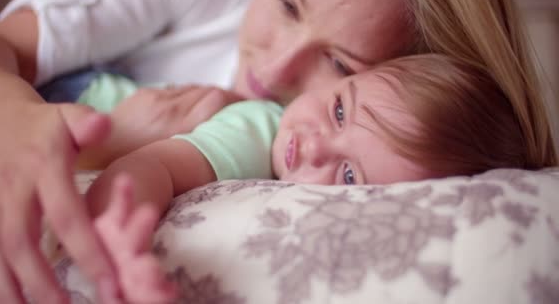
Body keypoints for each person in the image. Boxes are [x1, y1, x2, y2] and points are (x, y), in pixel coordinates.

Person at [0, 0, 555, 302]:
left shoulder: (271, 132)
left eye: (342, 64)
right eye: (288, 4)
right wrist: (17, 126)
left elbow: (165, 165)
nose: (274, 69)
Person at [82, 54, 546, 303]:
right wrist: (125, 239)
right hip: (81, 91)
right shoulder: (258, 126)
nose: (315, 144)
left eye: (348, 174)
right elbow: (156, 164)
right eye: (340, 109)